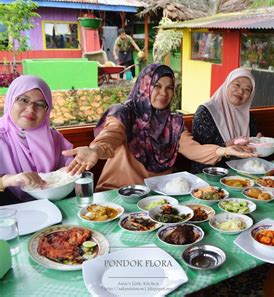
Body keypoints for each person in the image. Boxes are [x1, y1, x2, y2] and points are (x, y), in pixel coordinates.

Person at [63, 64, 256, 190]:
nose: (163, 93)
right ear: (145, 86)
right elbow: (112, 134)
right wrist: (95, 149)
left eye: (169, 87)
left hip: (159, 196)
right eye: (157, 86)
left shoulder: (174, 122)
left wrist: (224, 150)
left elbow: (192, 149)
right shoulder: (125, 113)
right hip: (119, 194)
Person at [0, 76, 73, 205]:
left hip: (55, 209)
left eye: (40, 104)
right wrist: (8, 180)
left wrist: (70, 171)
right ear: (11, 100)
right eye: (23, 100)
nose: (30, 109)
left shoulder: (55, 138)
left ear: (47, 110)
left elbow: (72, 166)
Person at [191, 67, 260, 173]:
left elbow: (251, 145)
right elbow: (199, 153)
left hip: (243, 172)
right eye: (237, 85)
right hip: (210, 173)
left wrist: (259, 143)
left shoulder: (249, 117)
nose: (241, 91)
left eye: (247, 89)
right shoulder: (206, 112)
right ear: (227, 84)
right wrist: (227, 146)